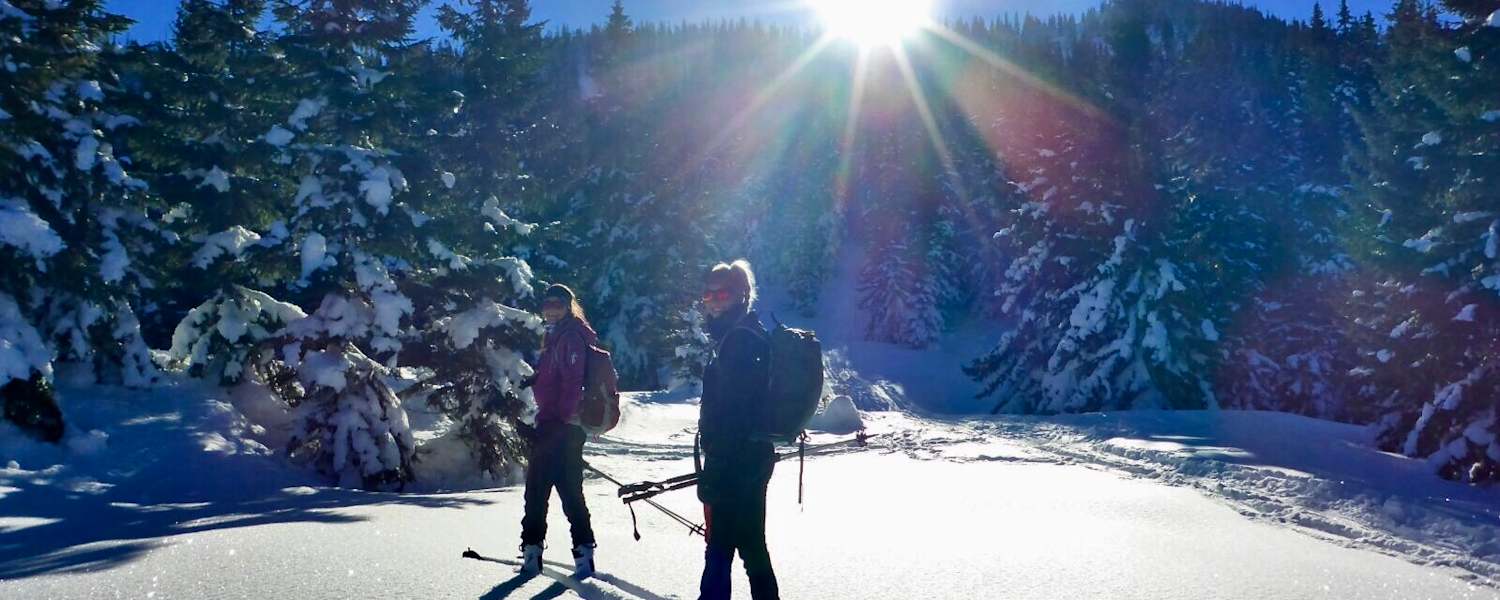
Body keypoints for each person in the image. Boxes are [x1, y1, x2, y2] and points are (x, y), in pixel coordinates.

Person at [696, 259, 780, 600]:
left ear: (740, 295)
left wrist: (717, 468)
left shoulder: (739, 342)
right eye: (709, 294)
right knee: (750, 546)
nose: (715, 300)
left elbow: (736, 411)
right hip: (752, 458)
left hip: (735, 461)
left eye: (723, 293)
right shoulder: (743, 333)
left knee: (719, 549)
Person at [519, 284, 598, 578]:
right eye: (547, 304)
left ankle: (532, 553)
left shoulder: (572, 336)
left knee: (539, 491)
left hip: (561, 427)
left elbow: (573, 383)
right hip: (557, 425)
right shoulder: (557, 335)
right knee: (568, 492)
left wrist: (558, 424)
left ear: (568, 306)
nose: (551, 309)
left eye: (558, 304)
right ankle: (583, 555)